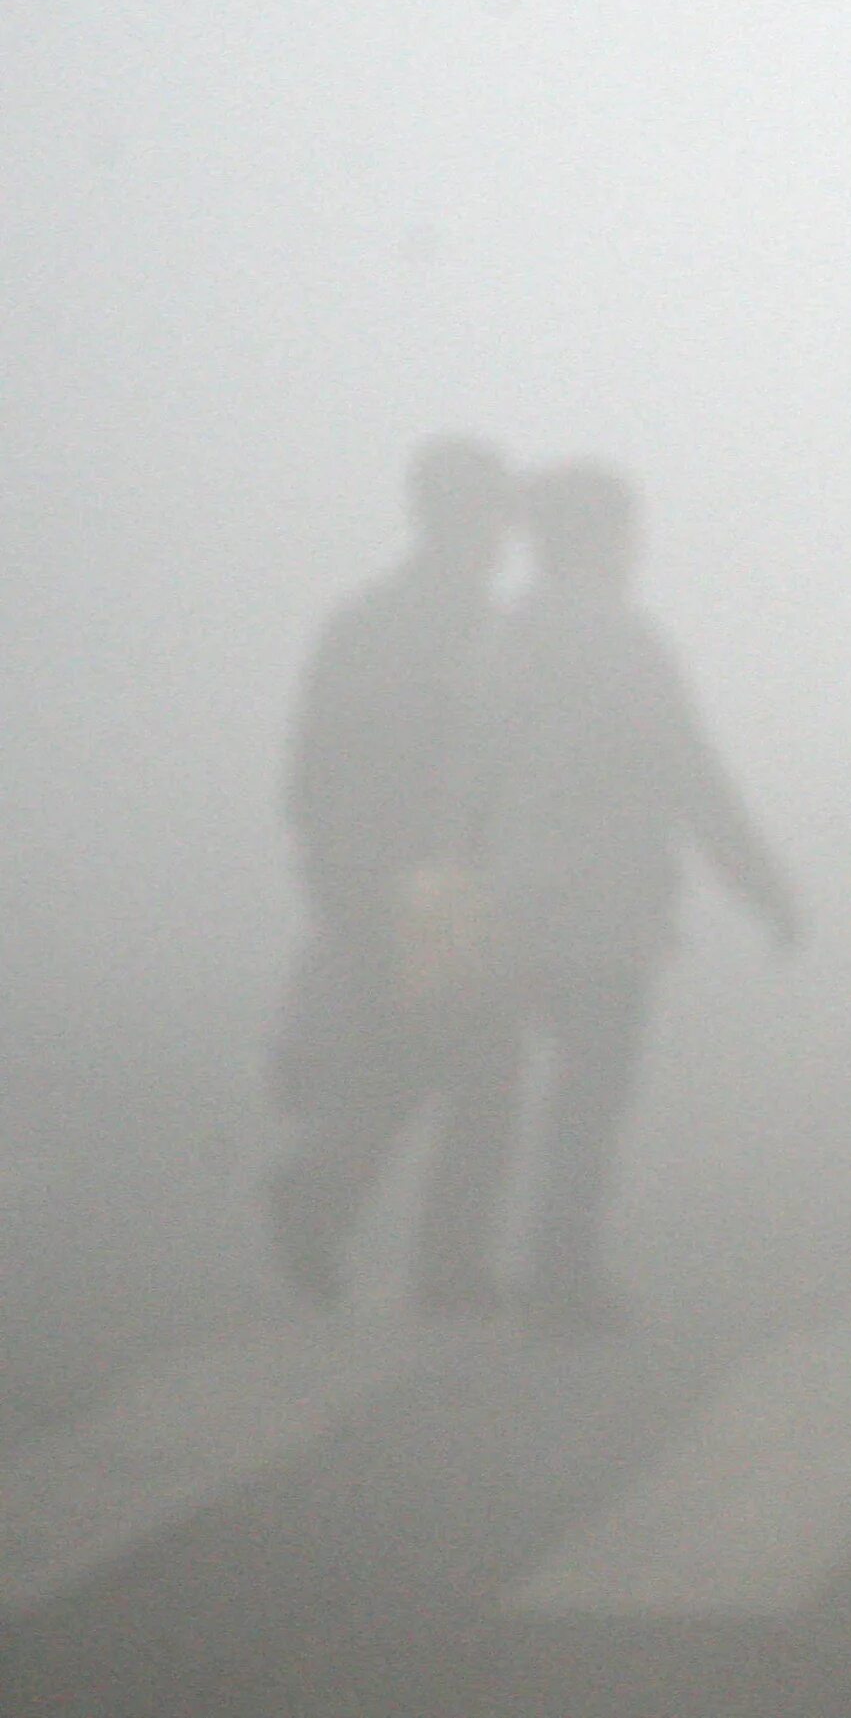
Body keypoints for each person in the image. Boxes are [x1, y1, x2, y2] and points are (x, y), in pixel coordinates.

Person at [428, 460, 801, 1328]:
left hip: (491, 899)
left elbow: (461, 787)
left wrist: (440, 919)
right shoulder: (626, 642)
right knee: (586, 1098)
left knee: (482, 1084)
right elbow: (691, 774)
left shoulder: (499, 637)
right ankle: (564, 1274)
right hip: (597, 910)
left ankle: (448, 1261)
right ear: (606, 537)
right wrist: (765, 888)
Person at [266, 434, 520, 1311]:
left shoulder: (369, 619)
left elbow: (307, 762)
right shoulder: (468, 629)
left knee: (403, 1055)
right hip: (431, 877)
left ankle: (322, 1196)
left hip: (391, 870)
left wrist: (324, 864)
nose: (500, 533)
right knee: (480, 1063)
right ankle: (433, 1257)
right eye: (491, 512)